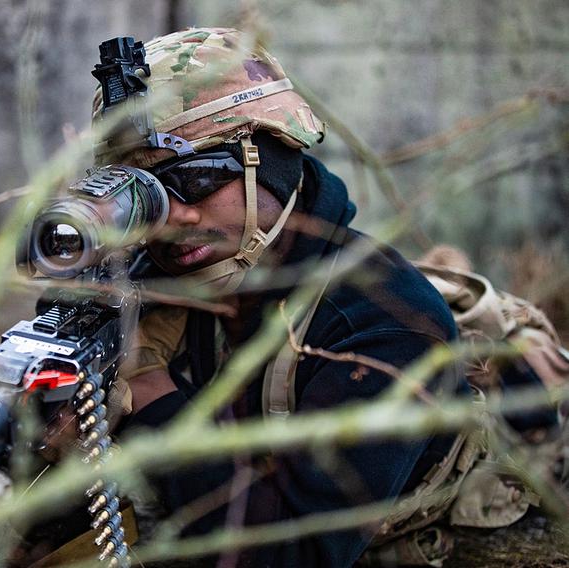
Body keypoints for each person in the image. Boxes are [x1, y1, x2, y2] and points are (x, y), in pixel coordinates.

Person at [93, 28, 468, 567]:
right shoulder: (164, 267)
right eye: (142, 195)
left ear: (268, 157)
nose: (170, 220)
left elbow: (296, 553)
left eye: (194, 178)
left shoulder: (390, 324)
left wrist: (150, 394)